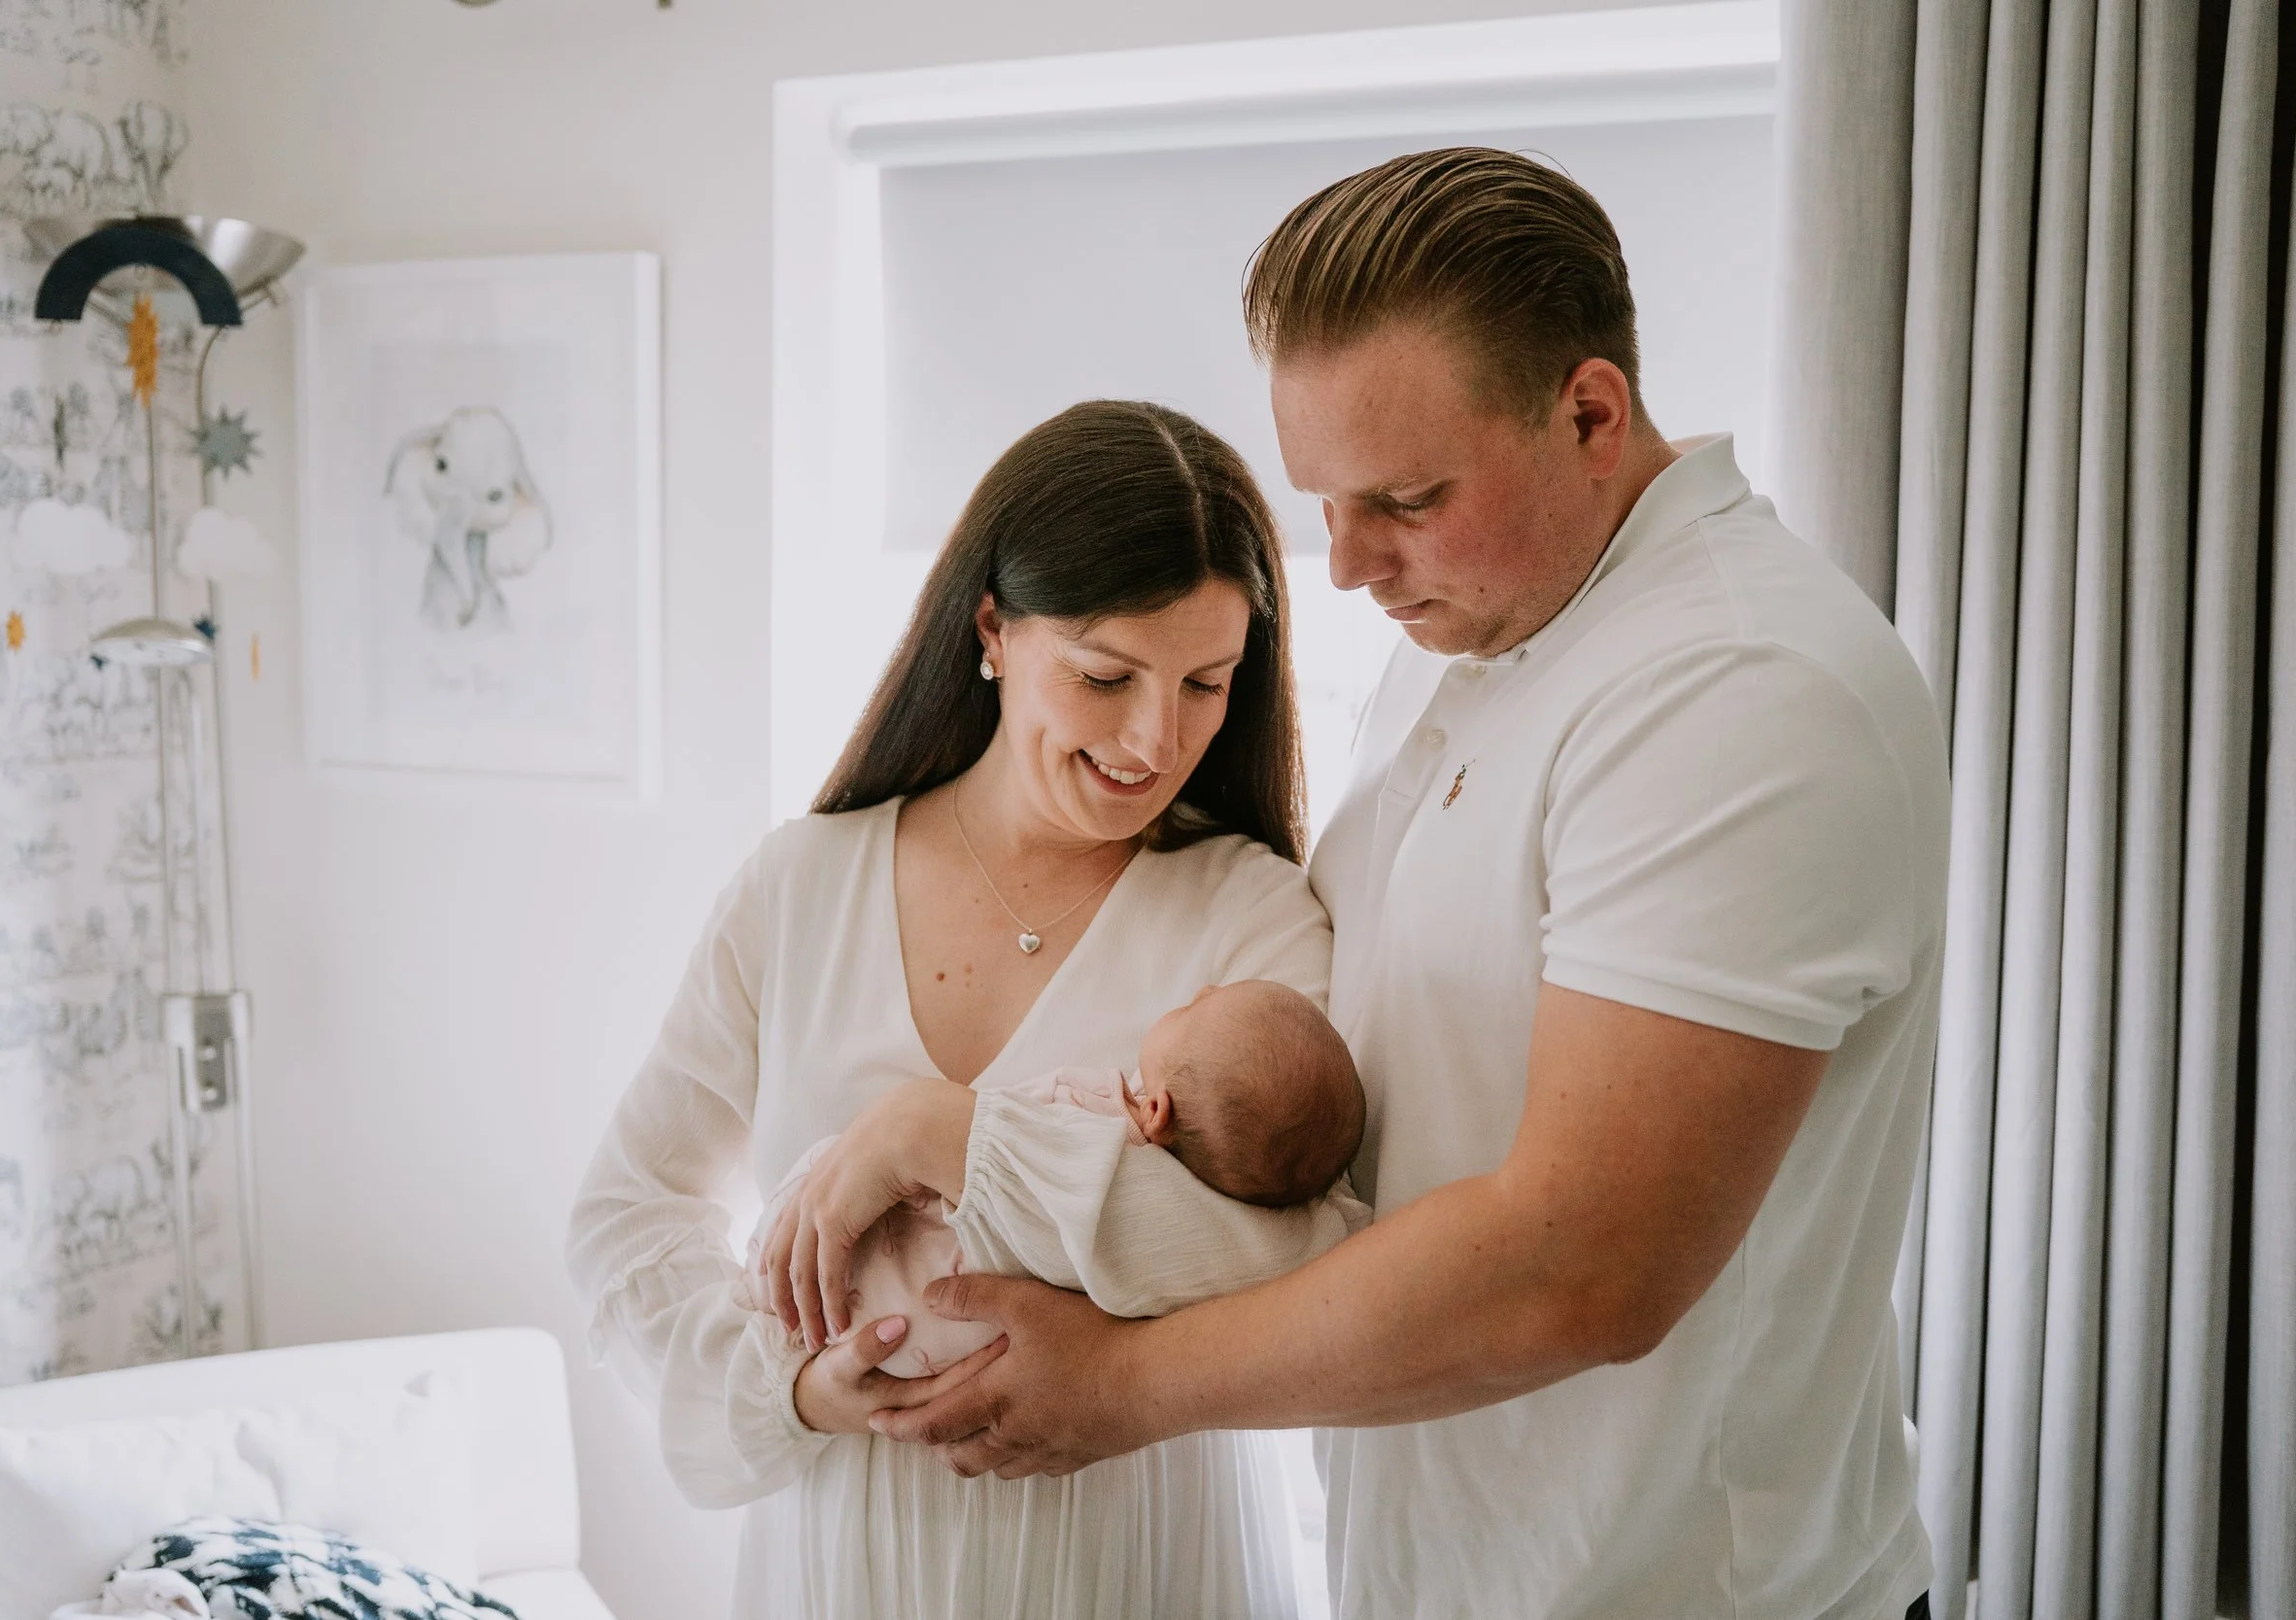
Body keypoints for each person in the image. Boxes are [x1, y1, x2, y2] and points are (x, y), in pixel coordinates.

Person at [777, 149, 1954, 1619]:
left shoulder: (1739, 687)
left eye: (1404, 495)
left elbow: (1581, 1266)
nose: (1343, 567)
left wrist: (1123, 1383)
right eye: (1324, 499)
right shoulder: (1475, 629)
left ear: (1591, 414)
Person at [567, 399, 1370, 1620]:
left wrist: (940, 1134)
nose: (1156, 739)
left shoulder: (1249, 917)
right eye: (1105, 675)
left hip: (1143, 1564)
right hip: (846, 1562)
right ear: (993, 628)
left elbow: (1307, 1256)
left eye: (1206, 683)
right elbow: (624, 1215)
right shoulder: (802, 884)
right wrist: (792, 1389)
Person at [740, 979, 1366, 1381]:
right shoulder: (1211, 1239)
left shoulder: (1096, 1138)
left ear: (1157, 1112)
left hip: (869, 1279)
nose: (1201, 989)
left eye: (1195, 1008)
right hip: (902, 1343)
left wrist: (917, 1130)